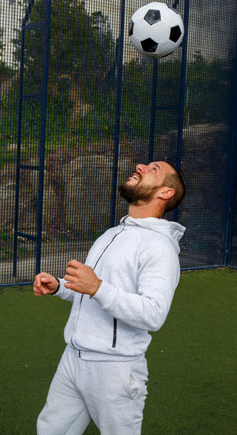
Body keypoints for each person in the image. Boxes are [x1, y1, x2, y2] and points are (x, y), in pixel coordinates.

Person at [33, 160, 186, 435]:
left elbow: (153, 313)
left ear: (165, 193)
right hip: (73, 359)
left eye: (153, 169)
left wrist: (97, 287)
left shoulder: (160, 247)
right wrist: (59, 287)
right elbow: (92, 293)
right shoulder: (111, 234)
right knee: (50, 431)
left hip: (114, 370)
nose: (140, 166)